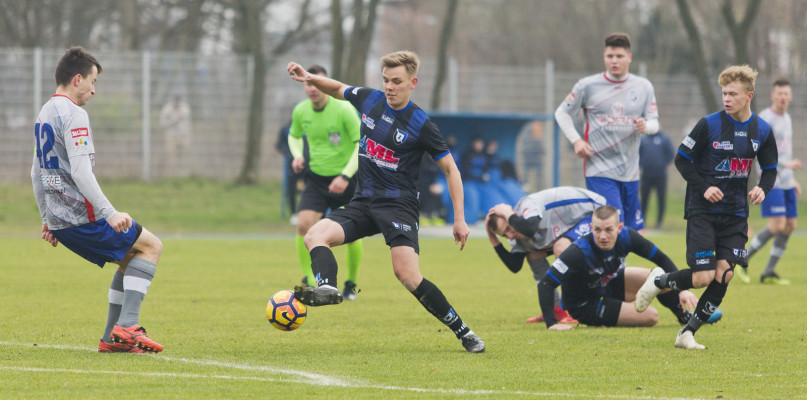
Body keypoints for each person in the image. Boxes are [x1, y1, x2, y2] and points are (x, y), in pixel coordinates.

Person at [286, 51, 485, 353]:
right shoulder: (370, 100)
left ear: (412, 83)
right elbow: (338, 89)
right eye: (386, 81)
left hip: (399, 206)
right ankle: (327, 286)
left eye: (397, 81)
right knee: (314, 234)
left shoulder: (421, 124)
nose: (390, 87)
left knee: (406, 274)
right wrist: (310, 78)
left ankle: (463, 331)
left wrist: (460, 218)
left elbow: (451, 170)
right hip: (363, 202)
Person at [31, 47, 164, 353]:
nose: (94, 89)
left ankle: (111, 339)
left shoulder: (45, 112)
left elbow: (35, 172)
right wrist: (110, 212)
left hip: (61, 220)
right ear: (76, 79)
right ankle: (128, 326)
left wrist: (46, 218)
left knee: (131, 257)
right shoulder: (74, 114)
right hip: (82, 216)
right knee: (151, 246)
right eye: (92, 81)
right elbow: (80, 171)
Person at [635, 65, 778, 349]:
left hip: (736, 213)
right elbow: (682, 159)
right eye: (724, 92)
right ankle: (659, 280)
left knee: (724, 275)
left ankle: (687, 333)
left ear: (749, 95)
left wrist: (763, 188)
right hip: (703, 211)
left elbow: (771, 168)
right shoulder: (709, 125)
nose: (726, 98)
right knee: (702, 277)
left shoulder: (761, 130)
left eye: (733, 93)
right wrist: (705, 187)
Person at [538, 206, 720, 331]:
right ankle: (614, 312)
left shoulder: (627, 237)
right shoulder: (578, 251)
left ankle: (684, 316)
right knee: (651, 317)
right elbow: (545, 284)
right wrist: (551, 323)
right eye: (597, 230)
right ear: (591, 228)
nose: (602, 236)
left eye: (608, 230)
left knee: (658, 277)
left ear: (619, 228)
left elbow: (661, 259)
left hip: (609, 283)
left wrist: (682, 290)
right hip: (586, 304)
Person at [554, 33, 659, 232]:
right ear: (604, 57)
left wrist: (646, 127)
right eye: (610, 56)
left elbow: (655, 122)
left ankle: (628, 264)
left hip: (630, 171)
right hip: (599, 169)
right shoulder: (587, 86)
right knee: (612, 226)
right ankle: (601, 263)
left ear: (629, 57)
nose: (614, 60)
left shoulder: (643, 87)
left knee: (634, 233)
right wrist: (576, 141)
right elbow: (561, 112)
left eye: (619, 56)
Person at [288, 65, 363, 299]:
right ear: (304, 85)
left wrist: (345, 176)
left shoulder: (344, 110)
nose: (313, 88)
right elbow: (293, 135)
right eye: (309, 84)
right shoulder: (301, 111)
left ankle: (350, 283)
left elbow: (360, 144)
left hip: (345, 180)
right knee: (303, 225)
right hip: (317, 180)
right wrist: (298, 155)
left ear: (325, 84)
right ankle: (309, 280)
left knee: (352, 234)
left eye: (317, 83)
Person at [485, 186, 606, 324]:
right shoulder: (516, 231)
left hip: (593, 211)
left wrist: (507, 214)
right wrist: (492, 238)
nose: (510, 235)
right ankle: (555, 310)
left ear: (512, 213)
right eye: (504, 234)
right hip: (569, 225)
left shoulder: (528, 205)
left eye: (507, 228)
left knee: (561, 247)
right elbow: (515, 266)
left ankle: (578, 307)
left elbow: (530, 228)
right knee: (533, 254)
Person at [738, 78, 801, 285]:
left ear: (790, 97)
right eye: (779, 94)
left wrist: (792, 179)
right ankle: (743, 257)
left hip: (787, 181)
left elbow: (784, 149)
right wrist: (786, 164)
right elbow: (760, 150)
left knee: (790, 224)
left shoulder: (788, 118)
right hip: (771, 180)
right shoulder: (765, 118)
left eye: (786, 94)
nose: (783, 97)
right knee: (777, 224)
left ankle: (769, 271)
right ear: (773, 96)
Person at [639, 129, 675, 229]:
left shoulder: (664, 139)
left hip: (660, 174)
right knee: (644, 199)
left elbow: (670, 154)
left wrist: (662, 164)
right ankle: (642, 221)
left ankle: (659, 222)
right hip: (646, 174)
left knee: (661, 198)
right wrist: (642, 164)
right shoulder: (644, 139)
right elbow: (638, 154)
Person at [274, 117, 304, 223]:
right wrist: (289, 153)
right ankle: (293, 214)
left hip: (308, 164)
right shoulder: (286, 128)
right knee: (291, 190)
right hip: (292, 165)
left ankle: (307, 212)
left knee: (308, 189)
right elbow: (279, 145)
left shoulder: (306, 126)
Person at [159, 94, 192, 175]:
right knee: (171, 157)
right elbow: (162, 123)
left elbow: (188, 123)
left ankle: (183, 174)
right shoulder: (167, 109)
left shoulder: (185, 109)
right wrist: (172, 121)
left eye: (178, 101)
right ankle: (172, 174)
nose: (177, 103)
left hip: (183, 136)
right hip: (171, 137)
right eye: (175, 101)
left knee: (183, 157)